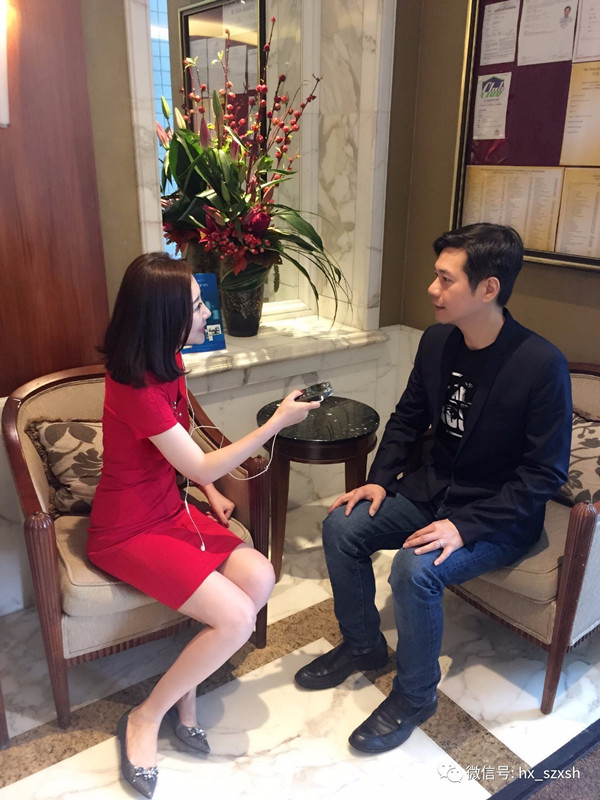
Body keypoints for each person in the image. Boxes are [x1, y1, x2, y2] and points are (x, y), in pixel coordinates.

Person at [294, 223, 572, 754]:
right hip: (434, 488)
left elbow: (543, 474)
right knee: (341, 526)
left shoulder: (540, 364)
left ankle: (416, 695)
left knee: (414, 569)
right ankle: (363, 646)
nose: (432, 289)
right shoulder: (438, 340)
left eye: (446, 279)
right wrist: (377, 481)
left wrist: (465, 527)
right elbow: (407, 418)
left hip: (495, 515)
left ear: (488, 288)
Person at [87, 253, 319, 798]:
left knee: (260, 577)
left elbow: (181, 443)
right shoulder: (134, 386)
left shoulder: (166, 359)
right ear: (164, 317)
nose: (206, 314)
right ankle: (145, 716)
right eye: (196, 306)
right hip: (128, 528)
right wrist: (277, 423)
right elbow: (199, 462)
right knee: (237, 619)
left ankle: (185, 690)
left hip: (169, 507)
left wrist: (210, 494)